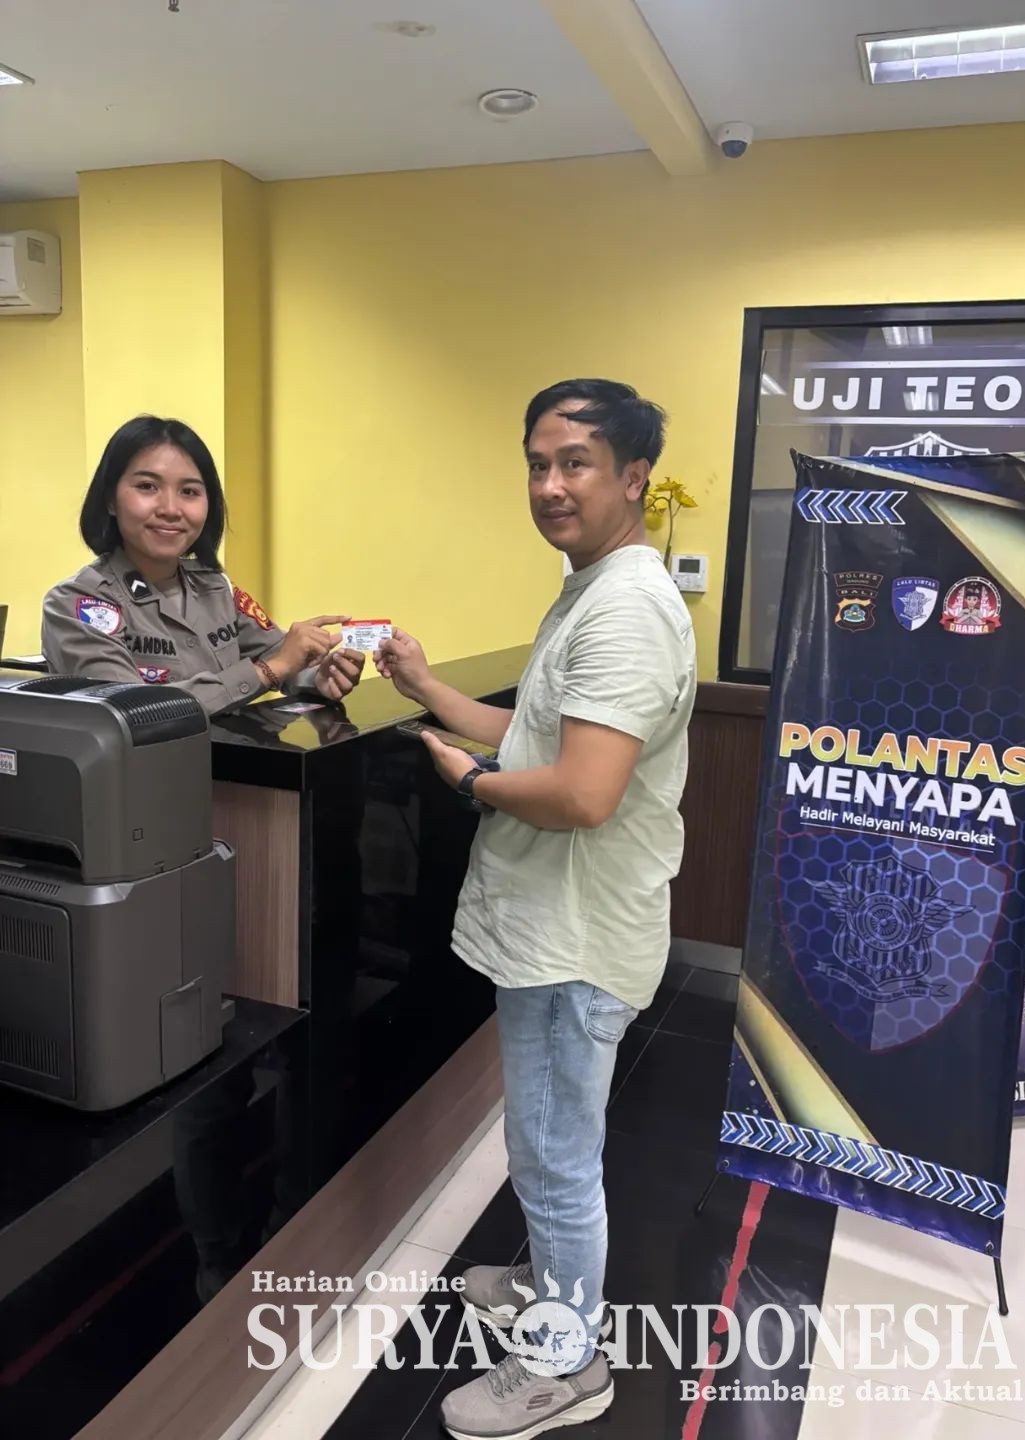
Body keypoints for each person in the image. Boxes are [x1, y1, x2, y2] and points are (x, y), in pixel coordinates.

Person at [375, 379, 696, 1439]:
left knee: (554, 1156)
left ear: (634, 478)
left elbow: (581, 793)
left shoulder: (627, 610)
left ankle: (568, 1362)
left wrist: (469, 781)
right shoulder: (593, 587)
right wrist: (427, 688)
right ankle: (554, 1285)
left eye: (576, 464)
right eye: (537, 464)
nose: (551, 486)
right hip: (555, 925)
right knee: (549, 1139)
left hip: (575, 937)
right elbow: (541, 737)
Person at [41, 416, 363, 716]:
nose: (170, 509)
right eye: (147, 487)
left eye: (189, 492)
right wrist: (269, 670)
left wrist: (318, 676)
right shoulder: (76, 603)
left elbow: (279, 652)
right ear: (110, 499)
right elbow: (132, 712)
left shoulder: (216, 587)